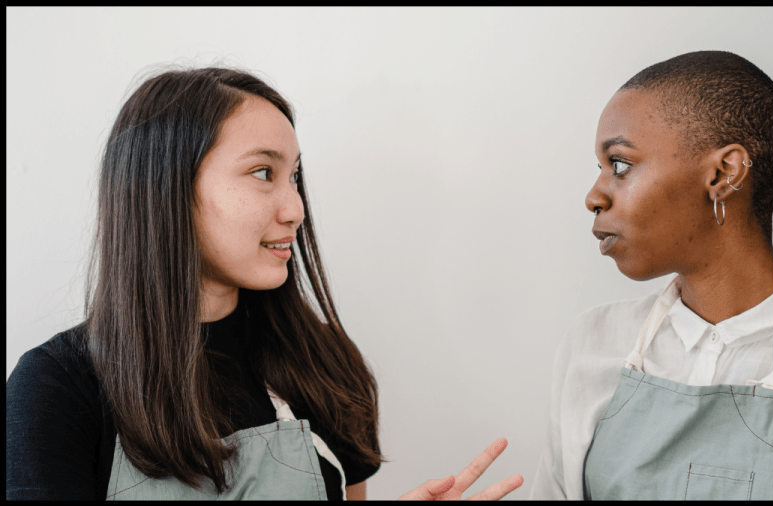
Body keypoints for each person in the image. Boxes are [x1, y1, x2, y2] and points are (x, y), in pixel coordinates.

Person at [6, 66, 523, 501]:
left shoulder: (321, 363)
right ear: (165, 190)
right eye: (262, 173)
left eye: (294, 175)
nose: (295, 209)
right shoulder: (55, 391)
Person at [529, 50, 773, 500]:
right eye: (600, 169)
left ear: (724, 173)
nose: (594, 196)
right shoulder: (591, 345)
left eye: (620, 165)